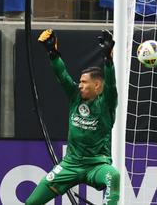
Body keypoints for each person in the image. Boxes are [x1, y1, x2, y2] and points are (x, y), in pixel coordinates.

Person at [25, 29, 120, 205]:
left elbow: (111, 85)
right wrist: (52, 54)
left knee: (113, 175)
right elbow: (62, 76)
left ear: (97, 85)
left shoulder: (106, 103)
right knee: (31, 202)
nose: (80, 85)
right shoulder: (75, 97)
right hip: (70, 165)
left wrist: (108, 60)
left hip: (96, 166)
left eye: (84, 82)